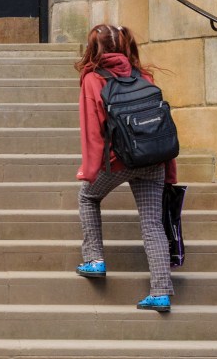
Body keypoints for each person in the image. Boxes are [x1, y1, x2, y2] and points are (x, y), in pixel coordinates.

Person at [73, 24, 177, 313]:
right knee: (153, 224)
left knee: (88, 197)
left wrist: (90, 170)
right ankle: (160, 292)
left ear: (94, 48)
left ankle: (94, 259)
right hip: (153, 159)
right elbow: (162, 127)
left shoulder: (93, 79)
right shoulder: (144, 76)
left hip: (118, 161)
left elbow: (93, 132)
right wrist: (170, 171)